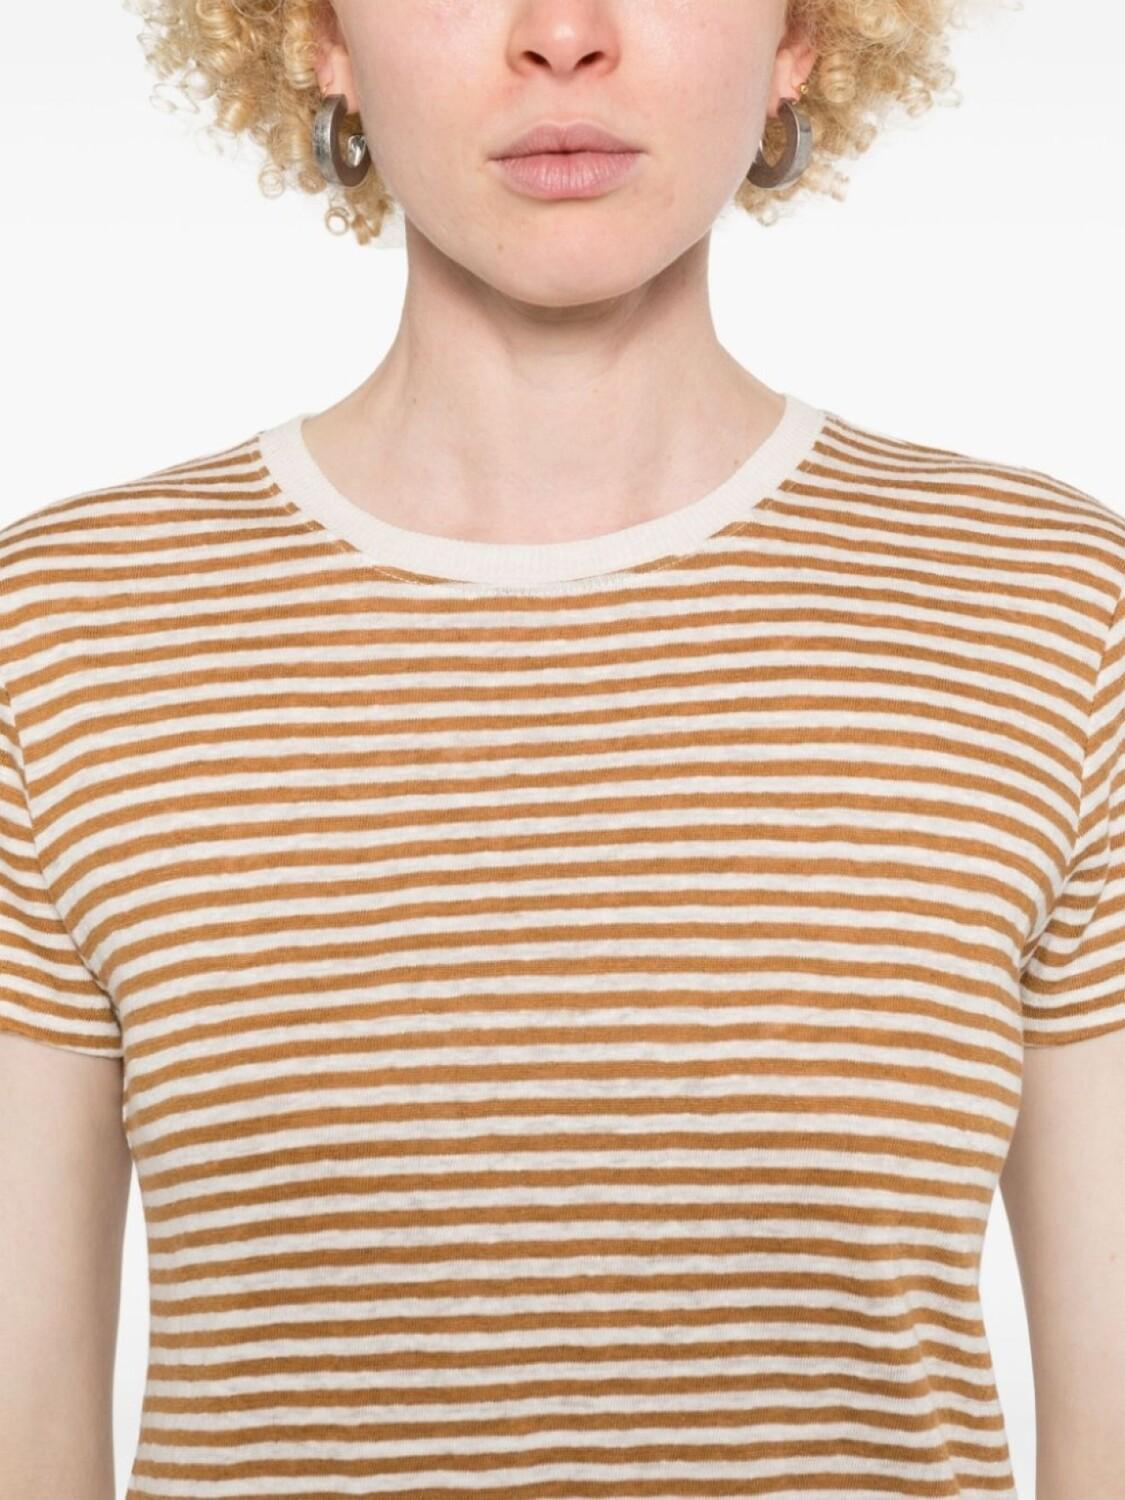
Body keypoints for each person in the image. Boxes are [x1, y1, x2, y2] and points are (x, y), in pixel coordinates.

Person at [1, 2, 1122, 1497]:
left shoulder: (1045, 612)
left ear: (800, 34)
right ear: (320, 33)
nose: (563, 36)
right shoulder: (67, 632)